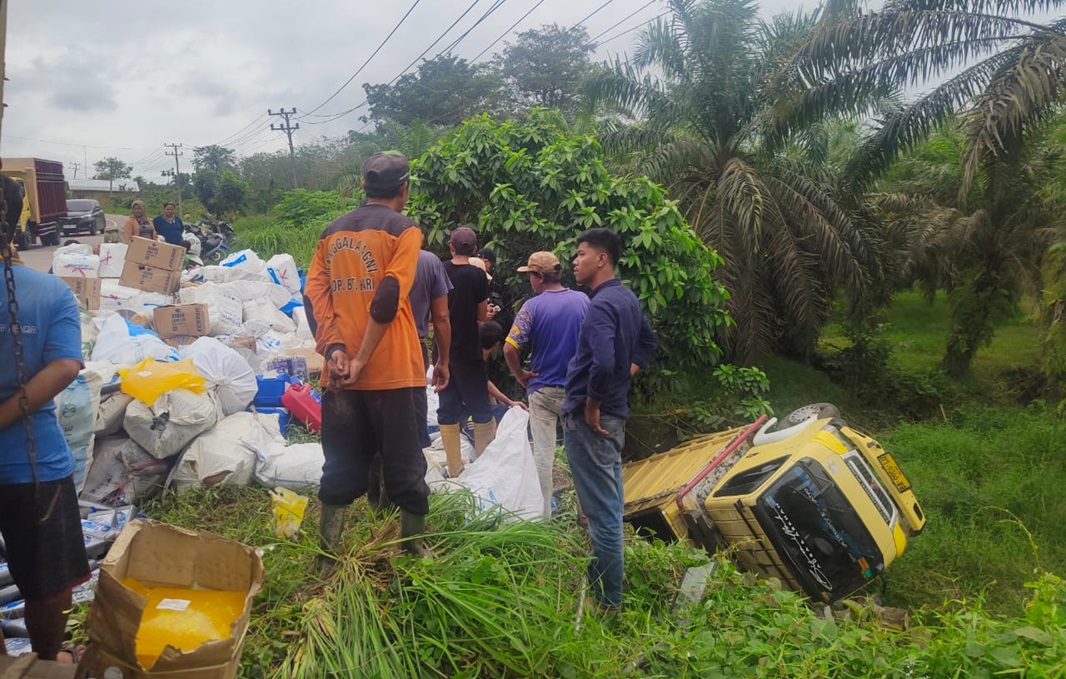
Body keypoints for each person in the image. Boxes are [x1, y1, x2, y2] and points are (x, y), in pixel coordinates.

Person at [304, 151, 430, 563]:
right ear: (404, 189)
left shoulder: (331, 232)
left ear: (364, 187)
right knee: (407, 466)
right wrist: (361, 357)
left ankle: (328, 555)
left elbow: (313, 297)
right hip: (394, 372)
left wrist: (335, 349)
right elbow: (389, 295)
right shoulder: (404, 230)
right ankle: (413, 550)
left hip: (339, 377)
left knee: (339, 463)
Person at [0, 223, 90, 661]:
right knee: (48, 581)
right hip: (33, 466)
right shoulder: (49, 292)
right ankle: (48, 661)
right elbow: (65, 367)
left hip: (32, 468)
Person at [563, 228, 656, 611]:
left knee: (602, 517)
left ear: (602, 259)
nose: (575, 260)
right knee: (610, 509)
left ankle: (608, 603)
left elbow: (602, 362)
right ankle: (607, 587)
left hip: (593, 422)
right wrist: (622, 378)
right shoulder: (626, 298)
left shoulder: (601, 305)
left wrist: (592, 402)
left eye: (581, 253)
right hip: (614, 416)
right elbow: (647, 344)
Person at [504, 251, 589, 517]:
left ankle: (544, 517)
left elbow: (509, 348)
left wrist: (520, 374)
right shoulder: (584, 301)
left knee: (544, 454)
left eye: (530, 275)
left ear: (539, 276)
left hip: (542, 390)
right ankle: (586, 513)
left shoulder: (532, 307)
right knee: (582, 454)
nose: (529, 281)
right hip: (577, 390)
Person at [437, 226, 494, 478]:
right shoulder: (477, 275)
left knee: (447, 408)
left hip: (443, 352)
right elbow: (482, 316)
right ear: (473, 250)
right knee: (481, 409)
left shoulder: (440, 270)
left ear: (450, 246)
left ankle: (454, 467)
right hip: (470, 351)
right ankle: (484, 467)